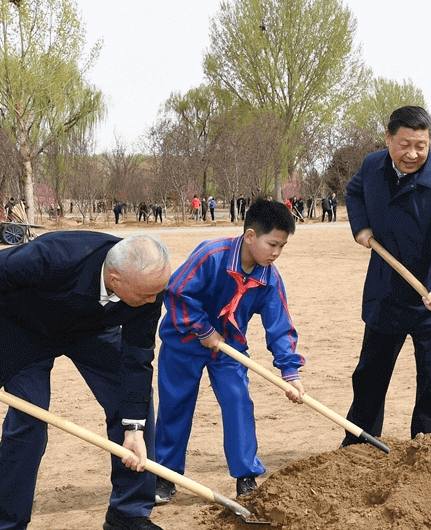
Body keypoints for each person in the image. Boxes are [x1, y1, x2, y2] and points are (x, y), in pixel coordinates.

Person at [0, 233, 171, 530]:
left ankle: (127, 514)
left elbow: (137, 357)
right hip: (22, 329)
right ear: (115, 279)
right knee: (30, 420)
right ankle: (7, 521)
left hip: (88, 330)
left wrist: (134, 428)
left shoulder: (149, 287)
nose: (153, 301)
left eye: (157, 294)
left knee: (134, 401)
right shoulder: (51, 256)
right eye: (146, 296)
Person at [154, 199, 306, 503]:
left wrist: (290, 372)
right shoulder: (212, 254)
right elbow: (177, 292)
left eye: (282, 247)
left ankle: (246, 475)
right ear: (250, 236)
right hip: (183, 343)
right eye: (272, 244)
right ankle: (165, 476)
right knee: (175, 407)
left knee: (238, 402)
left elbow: (280, 325)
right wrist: (203, 329)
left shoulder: (269, 278)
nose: (276, 253)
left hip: (228, 348)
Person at [341, 105, 431, 446]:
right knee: (370, 374)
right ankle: (360, 442)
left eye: (421, 146)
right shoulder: (372, 166)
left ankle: (428, 446)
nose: (412, 154)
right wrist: (361, 226)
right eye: (405, 144)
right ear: (388, 139)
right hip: (387, 290)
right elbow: (353, 193)